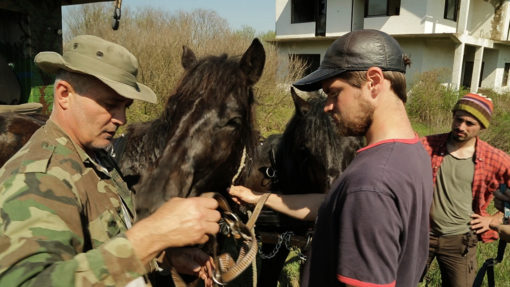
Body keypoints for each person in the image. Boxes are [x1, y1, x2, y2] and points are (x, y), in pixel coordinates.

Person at [0, 35, 220, 286]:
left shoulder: (94, 156)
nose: (122, 119)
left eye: (126, 106)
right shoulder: (38, 177)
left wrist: (162, 256)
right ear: (63, 94)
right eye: (111, 104)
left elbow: (109, 239)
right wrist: (152, 237)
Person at [290, 29, 433, 286]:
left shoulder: (371, 183)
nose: (326, 106)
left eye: (334, 92)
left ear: (374, 82)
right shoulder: (414, 151)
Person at [421, 93, 510, 286]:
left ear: (482, 127)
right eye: (458, 119)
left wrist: (495, 220)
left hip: (460, 241)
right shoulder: (427, 146)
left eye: (470, 123)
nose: (461, 127)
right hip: (421, 236)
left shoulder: (495, 158)